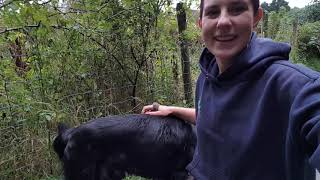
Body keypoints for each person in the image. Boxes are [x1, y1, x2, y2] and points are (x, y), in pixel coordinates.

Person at [142, 0, 320, 179]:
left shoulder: (293, 86)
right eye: (213, 12)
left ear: (256, 17)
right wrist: (173, 110)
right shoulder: (206, 77)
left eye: (237, 9)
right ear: (201, 23)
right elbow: (214, 116)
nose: (223, 21)